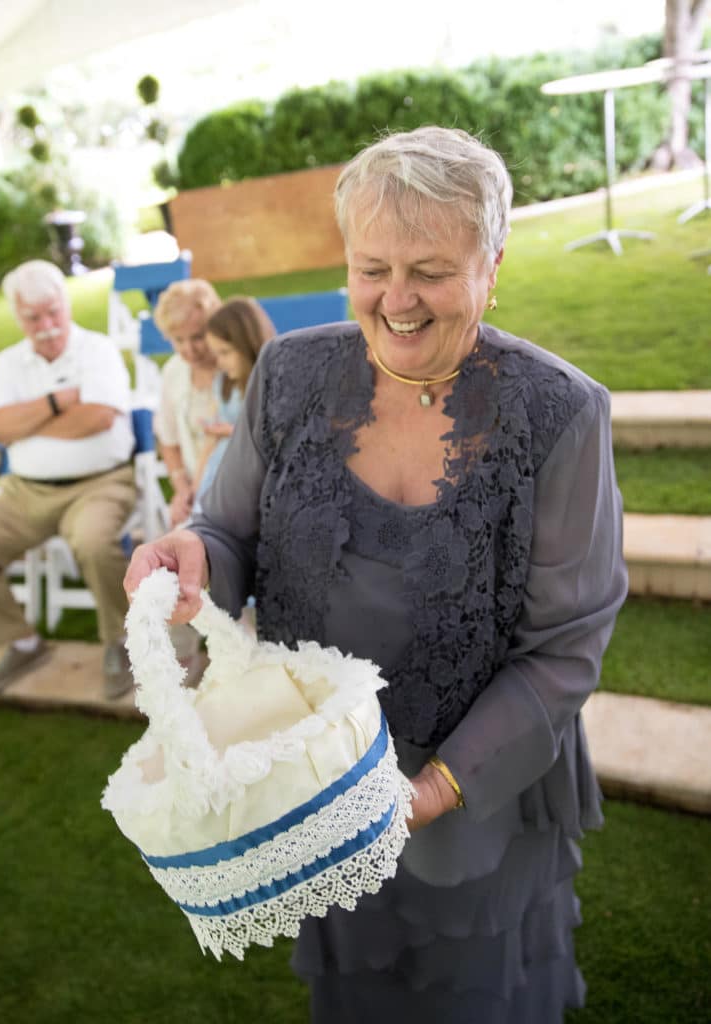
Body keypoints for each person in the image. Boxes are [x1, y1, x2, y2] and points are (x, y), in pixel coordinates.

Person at [124, 127, 628, 1022]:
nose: (396, 299)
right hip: (312, 781)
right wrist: (199, 553)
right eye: (372, 268)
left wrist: (428, 791)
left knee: (473, 992)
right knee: (360, 991)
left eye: (430, 270)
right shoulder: (287, 372)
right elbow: (228, 527)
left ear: (491, 262)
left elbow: (562, 649)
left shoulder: (560, 413)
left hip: (473, 791)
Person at [0, 259, 138, 700]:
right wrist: (56, 402)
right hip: (23, 492)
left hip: (99, 484)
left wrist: (25, 422)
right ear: (18, 317)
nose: (47, 325)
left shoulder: (97, 350)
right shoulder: (6, 364)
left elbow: (99, 417)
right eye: (33, 317)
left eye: (53, 312)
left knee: (93, 542)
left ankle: (121, 642)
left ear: (65, 306)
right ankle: (23, 643)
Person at [192, 296, 275, 512]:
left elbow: (273, 436)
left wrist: (231, 431)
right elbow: (209, 446)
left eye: (225, 352)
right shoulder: (225, 384)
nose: (219, 361)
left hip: (250, 479)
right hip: (218, 475)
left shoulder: (271, 383)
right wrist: (194, 491)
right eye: (216, 353)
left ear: (247, 343)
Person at [152, 279, 222, 527]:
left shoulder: (235, 366)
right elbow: (168, 441)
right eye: (178, 340)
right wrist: (182, 490)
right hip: (196, 492)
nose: (189, 349)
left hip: (235, 489)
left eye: (198, 337)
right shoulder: (174, 371)